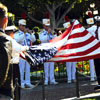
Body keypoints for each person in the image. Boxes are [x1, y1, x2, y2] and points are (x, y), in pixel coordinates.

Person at [0, 3, 29, 100]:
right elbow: (3, 68)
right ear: (5, 20)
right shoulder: (5, 39)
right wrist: (27, 48)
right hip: (3, 88)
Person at [14, 19, 36, 89]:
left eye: (24, 26)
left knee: (27, 68)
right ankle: (22, 83)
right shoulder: (16, 34)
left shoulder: (27, 34)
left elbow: (33, 40)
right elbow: (18, 40)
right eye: (22, 26)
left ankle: (27, 82)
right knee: (21, 68)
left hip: (27, 53)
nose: (24, 27)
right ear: (19, 26)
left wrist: (31, 33)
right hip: (21, 53)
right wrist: (24, 33)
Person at [39, 17, 58, 85]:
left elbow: (55, 39)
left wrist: (54, 34)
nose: (47, 27)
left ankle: (52, 80)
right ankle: (46, 80)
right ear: (43, 26)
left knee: (51, 65)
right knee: (46, 66)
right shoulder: (41, 33)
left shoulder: (50, 32)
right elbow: (43, 40)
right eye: (46, 26)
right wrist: (47, 33)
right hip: (44, 51)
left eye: (48, 26)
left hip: (50, 50)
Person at [86, 15, 100, 90]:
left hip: (96, 51)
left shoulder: (91, 29)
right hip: (95, 51)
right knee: (97, 67)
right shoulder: (92, 29)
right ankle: (99, 82)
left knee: (98, 67)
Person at [63, 16, 76, 83]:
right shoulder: (64, 34)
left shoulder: (72, 33)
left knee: (73, 65)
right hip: (67, 51)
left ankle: (73, 78)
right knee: (68, 66)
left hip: (72, 50)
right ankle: (69, 78)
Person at [86, 12, 96, 82]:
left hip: (91, 48)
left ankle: (92, 77)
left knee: (91, 62)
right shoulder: (97, 28)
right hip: (97, 47)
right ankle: (96, 75)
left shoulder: (88, 30)